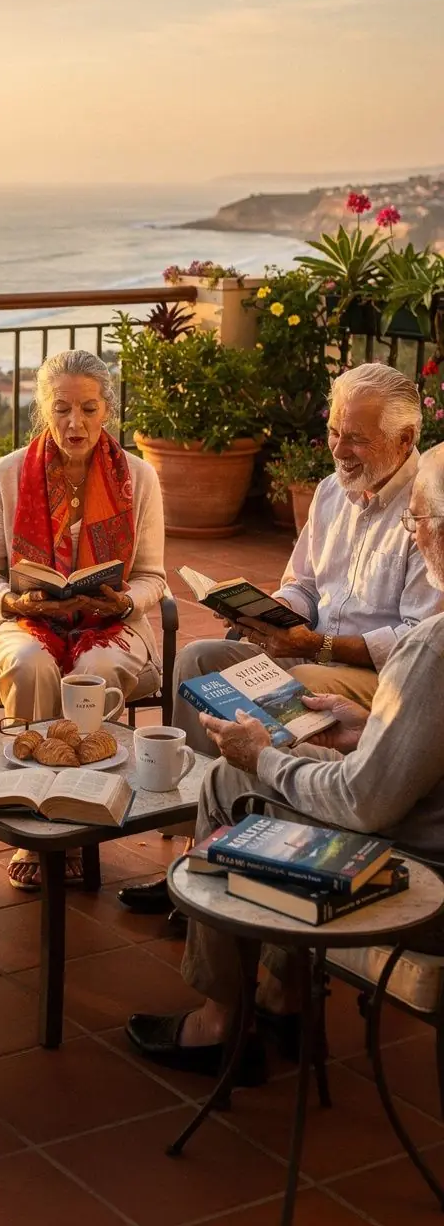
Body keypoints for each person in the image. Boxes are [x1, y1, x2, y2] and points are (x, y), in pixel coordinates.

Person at [126, 441, 444, 1085]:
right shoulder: (330, 494)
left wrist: (266, 757)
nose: (340, 446)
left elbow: (364, 804)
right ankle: (282, 993)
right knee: (219, 674)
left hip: (422, 876)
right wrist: (369, 729)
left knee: (233, 779)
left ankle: (222, 1021)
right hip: (408, 788)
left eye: (418, 521)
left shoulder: (431, 648)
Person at [120, 361, 442, 915]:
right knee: (203, 658)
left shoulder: (429, 507)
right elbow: (303, 585)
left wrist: (310, 645)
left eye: (357, 439)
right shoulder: (329, 493)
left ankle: (270, 840)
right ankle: (199, 841)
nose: (339, 449)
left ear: (404, 439)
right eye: (335, 432)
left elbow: (415, 639)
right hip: (309, 647)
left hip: (376, 675)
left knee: (300, 681)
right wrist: (270, 615)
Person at [0, 348, 167, 886]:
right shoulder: (8, 475)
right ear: (43, 410)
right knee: (31, 663)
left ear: (108, 412)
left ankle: (79, 814)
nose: (75, 423)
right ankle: (30, 819)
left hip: (112, 622)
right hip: (18, 619)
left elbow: (153, 577)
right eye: (62, 409)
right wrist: (14, 603)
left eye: (89, 409)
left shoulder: (140, 479)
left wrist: (123, 603)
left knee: (90, 672)